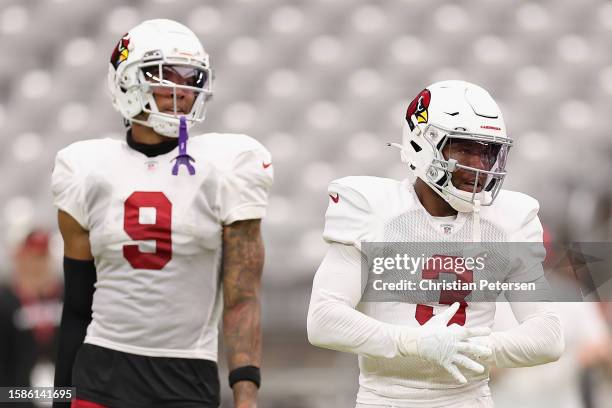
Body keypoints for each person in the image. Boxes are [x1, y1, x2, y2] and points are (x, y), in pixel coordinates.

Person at [51, 19, 273, 408]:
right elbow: (76, 307)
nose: (181, 90)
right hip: (100, 374)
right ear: (125, 81)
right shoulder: (85, 169)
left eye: (190, 78)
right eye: (164, 75)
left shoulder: (227, 167)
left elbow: (243, 298)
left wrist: (246, 393)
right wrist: (59, 398)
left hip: (187, 378)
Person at [307, 80, 564, 407]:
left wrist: (474, 346)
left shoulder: (510, 218)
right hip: (387, 400)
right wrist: (413, 343)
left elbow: (549, 335)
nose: (480, 165)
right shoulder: (373, 209)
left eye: (487, 151)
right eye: (465, 149)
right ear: (422, 144)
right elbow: (323, 319)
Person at [0, 229, 61, 402]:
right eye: (31, 258)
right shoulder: (6, 302)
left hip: (63, 396)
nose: (36, 266)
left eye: (42, 258)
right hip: (15, 398)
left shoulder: (66, 298)